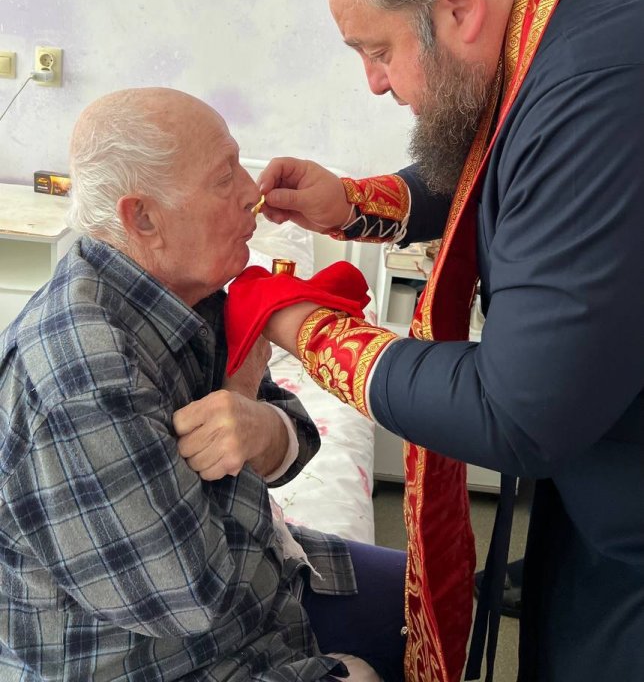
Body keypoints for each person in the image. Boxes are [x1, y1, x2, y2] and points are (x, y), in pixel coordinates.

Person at [240, 0, 644, 682]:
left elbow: (519, 410)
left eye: (378, 50)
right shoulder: (569, 6)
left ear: (457, 5)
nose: (375, 82)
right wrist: (352, 204)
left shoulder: (602, 87)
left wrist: (299, 324)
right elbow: (497, 157)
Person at [0, 87, 407, 682]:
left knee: (429, 599)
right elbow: (194, 596)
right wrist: (241, 399)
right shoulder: (83, 376)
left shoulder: (188, 290)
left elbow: (297, 439)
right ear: (143, 218)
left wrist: (263, 427)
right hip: (159, 657)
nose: (252, 193)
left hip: (255, 587)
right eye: (224, 178)